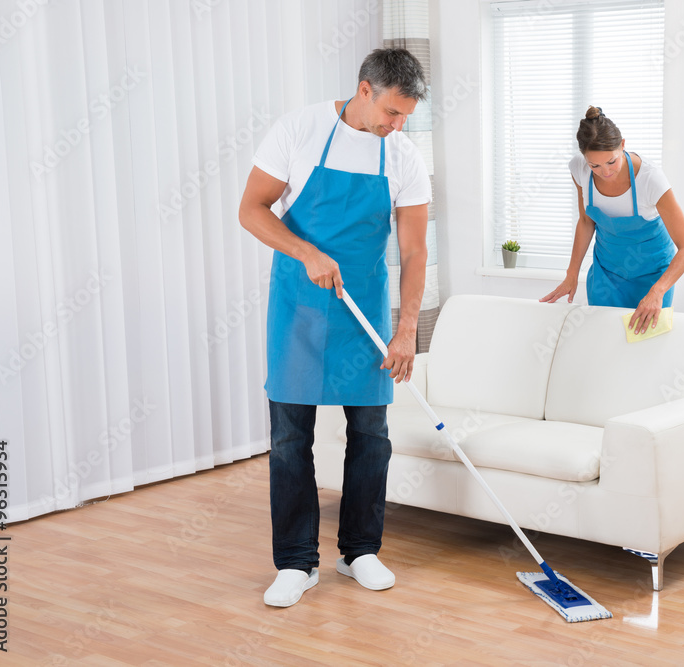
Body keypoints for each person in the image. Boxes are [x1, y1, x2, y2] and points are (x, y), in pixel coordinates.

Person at [238, 48, 431, 607]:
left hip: (365, 308)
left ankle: (360, 551)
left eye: (406, 118)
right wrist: (306, 253)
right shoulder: (298, 130)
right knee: (289, 438)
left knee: (371, 436)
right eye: (392, 113)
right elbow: (251, 209)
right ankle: (297, 562)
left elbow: (415, 252)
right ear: (364, 89)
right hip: (298, 304)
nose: (397, 126)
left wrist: (406, 330)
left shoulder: (403, 155)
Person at [542, 106, 684, 333]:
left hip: (652, 277)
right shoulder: (579, 169)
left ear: (623, 145)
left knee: (645, 347)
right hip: (607, 274)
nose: (605, 172)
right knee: (606, 342)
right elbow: (586, 222)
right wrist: (571, 274)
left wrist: (657, 291)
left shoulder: (650, 180)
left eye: (611, 161)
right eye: (595, 165)